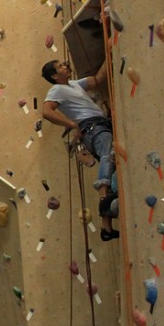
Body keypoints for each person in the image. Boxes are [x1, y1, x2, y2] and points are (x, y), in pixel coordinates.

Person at [40, 57, 119, 240]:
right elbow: (46, 112)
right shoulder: (57, 89)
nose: (66, 65)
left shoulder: (75, 84)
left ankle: (106, 225)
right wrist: (72, 124)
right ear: (54, 75)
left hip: (99, 125)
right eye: (60, 66)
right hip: (92, 127)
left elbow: (99, 78)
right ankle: (104, 201)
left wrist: (109, 51)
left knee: (112, 161)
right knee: (108, 156)